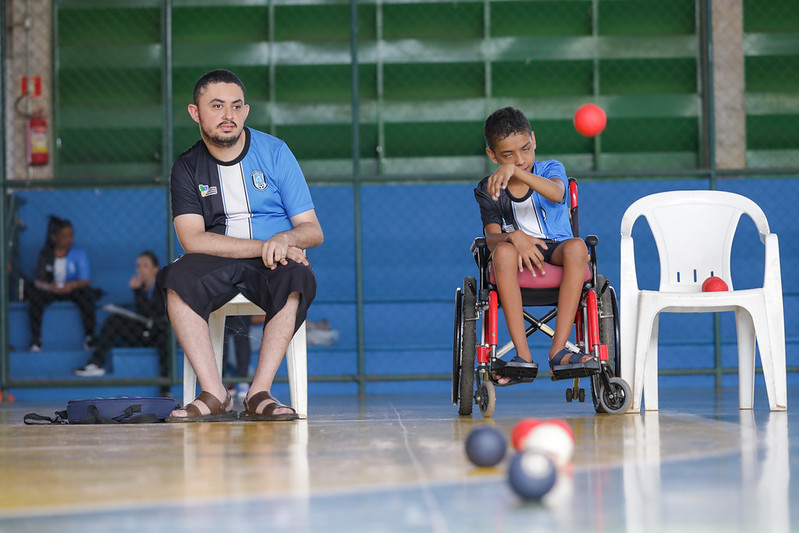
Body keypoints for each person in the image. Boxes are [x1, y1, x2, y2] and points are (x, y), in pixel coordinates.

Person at [156, 69, 324, 422]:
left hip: (274, 260)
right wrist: (263, 245)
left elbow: (312, 231)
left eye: (236, 106)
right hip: (217, 258)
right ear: (195, 112)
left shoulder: (276, 153)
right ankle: (214, 392)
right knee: (175, 279)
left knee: (296, 278)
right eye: (216, 106)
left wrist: (285, 239)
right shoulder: (186, 167)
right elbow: (192, 239)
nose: (228, 115)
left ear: (246, 111)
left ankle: (259, 392)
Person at [474, 107, 598, 384]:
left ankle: (558, 351)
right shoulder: (489, 188)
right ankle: (523, 355)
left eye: (525, 149)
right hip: (516, 255)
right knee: (502, 250)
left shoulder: (551, 168)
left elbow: (557, 192)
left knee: (578, 247)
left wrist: (515, 173)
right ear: (492, 155)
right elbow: (492, 236)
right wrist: (513, 236)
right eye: (508, 156)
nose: (520, 160)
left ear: (533, 139)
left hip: (557, 249)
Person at [74, 251, 167, 383]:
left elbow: (151, 313)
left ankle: (166, 389)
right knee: (113, 321)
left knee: (165, 337)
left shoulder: (160, 287)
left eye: (145, 266)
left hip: (158, 334)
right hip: (143, 332)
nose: (140, 270)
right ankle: (96, 363)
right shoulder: (143, 287)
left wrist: (137, 291)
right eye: (138, 266)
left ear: (155, 269)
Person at [27, 216, 99, 352]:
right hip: (51, 290)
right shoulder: (45, 253)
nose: (69, 239)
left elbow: (85, 280)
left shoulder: (79, 252)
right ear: (54, 237)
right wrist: (50, 287)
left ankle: (89, 338)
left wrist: (72, 286)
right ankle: (36, 340)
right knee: (34, 296)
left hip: (71, 290)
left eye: (71, 235)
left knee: (87, 295)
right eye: (65, 236)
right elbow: (38, 281)